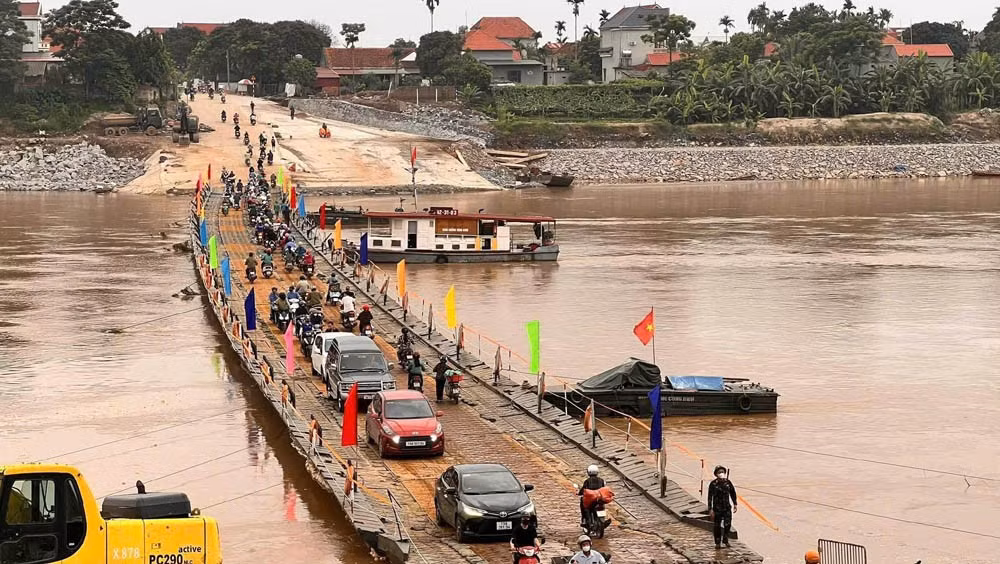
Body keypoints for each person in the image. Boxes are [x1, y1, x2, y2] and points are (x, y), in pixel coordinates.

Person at [707, 465, 738, 549]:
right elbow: (710, 497)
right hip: (717, 508)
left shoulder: (728, 482)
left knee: (727, 525)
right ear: (716, 474)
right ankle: (717, 542)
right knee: (717, 526)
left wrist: (735, 504)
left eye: (722, 472)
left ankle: (725, 539)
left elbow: (733, 493)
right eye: (719, 472)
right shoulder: (713, 484)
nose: (721, 473)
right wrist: (710, 509)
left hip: (727, 507)